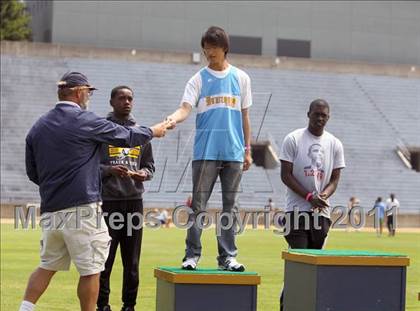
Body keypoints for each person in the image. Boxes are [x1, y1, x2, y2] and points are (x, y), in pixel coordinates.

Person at [20, 72, 169, 311]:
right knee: (92, 270)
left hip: (51, 209)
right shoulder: (84, 120)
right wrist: (154, 131)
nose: (89, 96)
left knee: (47, 265)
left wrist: (58, 187)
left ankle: (24, 308)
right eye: (88, 92)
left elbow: (33, 173)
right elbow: (126, 136)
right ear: (79, 92)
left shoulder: (39, 126)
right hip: (82, 208)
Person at [165, 26, 253, 272]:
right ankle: (191, 255)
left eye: (213, 47)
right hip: (205, 152)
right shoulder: (198, 79)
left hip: (233, 152)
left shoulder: (241, 78)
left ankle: (228, 257)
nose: (208, 52)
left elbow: (245, 117)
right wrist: (173, 118)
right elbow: (184, 108)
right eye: (205, 48)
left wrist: (247, 149)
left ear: (224, 47)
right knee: (198, 206)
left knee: (230, 207)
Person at [279, 99, 345, 311]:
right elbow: (286, 175)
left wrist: (324, 195)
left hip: (322, 214)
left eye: (324, 115)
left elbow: (335, 179)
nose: (319, 118)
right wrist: (309, 197)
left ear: (329, 117)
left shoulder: (335, 144)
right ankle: (286, 305)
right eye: (316, 114)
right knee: (300, 265)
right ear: (308, 114)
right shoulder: (294, 139)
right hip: (296, 212)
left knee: (316, 267)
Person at [96, 86, 155, 311]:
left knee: (132, 261)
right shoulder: (101, 131)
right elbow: (91, 166)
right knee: (104, 259)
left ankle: (129, 306)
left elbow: (149, 166)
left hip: (134, 202)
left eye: (130, 98)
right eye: (122, 98)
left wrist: (145, 174)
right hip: (107, 203)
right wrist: (109, 170)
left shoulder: (141, 133)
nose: (127, 102)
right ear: (112, 102)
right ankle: (102, 305)